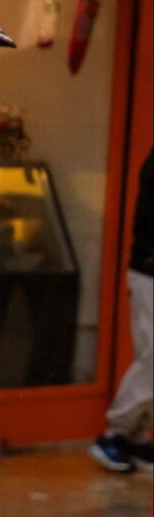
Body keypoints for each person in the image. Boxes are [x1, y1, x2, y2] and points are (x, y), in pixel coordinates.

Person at [94, 152, 153, 471]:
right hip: (148, 273)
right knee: (153, 357)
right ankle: (115, 434)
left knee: (150, 356)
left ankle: (136, 437)